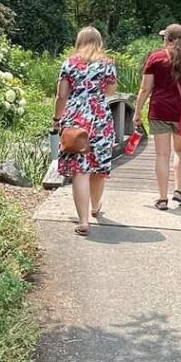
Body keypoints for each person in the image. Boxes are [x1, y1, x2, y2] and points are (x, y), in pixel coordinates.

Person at [53, 27, 118, 236]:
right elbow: (110, 92)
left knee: (80, 170)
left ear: (79, 41)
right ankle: (96, 206)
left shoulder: (69, 63)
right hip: (99, 118)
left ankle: (83, 222)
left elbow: (62, 95)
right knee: (98, 166)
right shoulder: (107, 64)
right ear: (99, 41)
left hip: (75, 119)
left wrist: (57, 118)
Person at [133, 23, 181, 210]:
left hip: (159, 111)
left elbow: (145, 88)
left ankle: (163, 198)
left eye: (164, 37)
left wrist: (137, 111)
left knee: (162, 155)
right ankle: (179, 191)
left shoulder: (155, 58)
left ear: (168, 39)